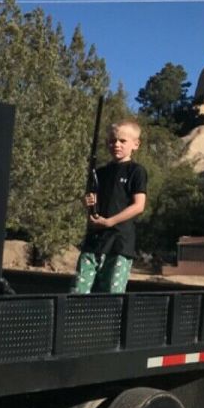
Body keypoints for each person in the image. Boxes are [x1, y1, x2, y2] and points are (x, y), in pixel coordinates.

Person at [72, 119, 147, 294]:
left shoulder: (136, 171)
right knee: (78, 291)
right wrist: (88, 203)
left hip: (120, 244)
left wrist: (110, 222)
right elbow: (93, 204)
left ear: (135, 144)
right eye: (112, 141)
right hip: (94, 241)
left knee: (112, 296)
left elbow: (139, 206)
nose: (117, 145)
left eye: (122, 141)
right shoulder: (99, 173)